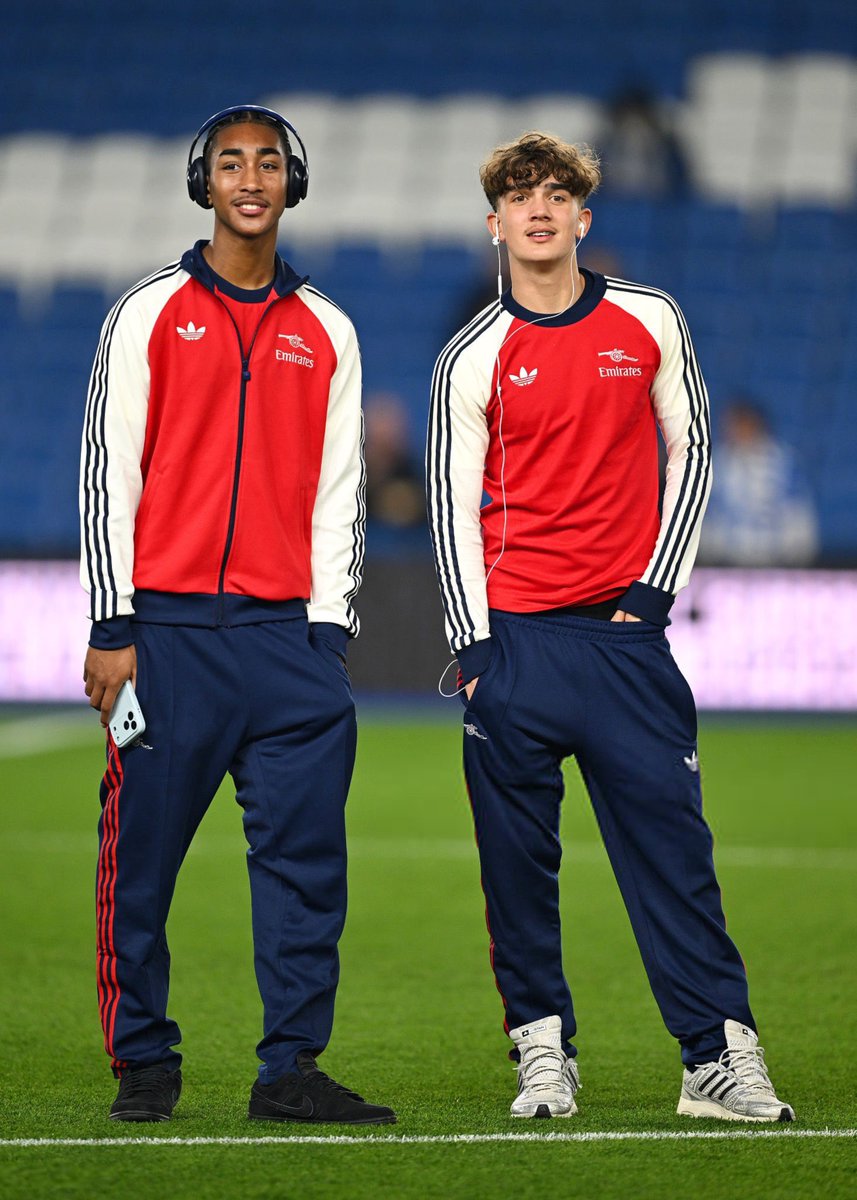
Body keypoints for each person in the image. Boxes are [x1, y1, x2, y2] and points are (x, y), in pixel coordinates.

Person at [426, 131, 793, 1123]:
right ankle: (543, 1057)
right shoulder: (470, 356)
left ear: (582, 218)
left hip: (626, 643)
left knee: (675, 859)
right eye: (518, 195)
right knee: (516, 873)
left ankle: (714, 1059)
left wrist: (652, 595)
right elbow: (448, 502)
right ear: (494, 223)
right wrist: (476, 644)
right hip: (515, 645)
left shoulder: (647, 320)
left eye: (556, 194)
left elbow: (696, 448)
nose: (538, 208)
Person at [80, 105, 394, 1126]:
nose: (249, 177)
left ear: (291, 182)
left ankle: (289, 1070)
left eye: (268, 161)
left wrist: (327, 632)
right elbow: (108, 475)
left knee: (306, 869)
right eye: (230, 162)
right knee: (139, 860)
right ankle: (144, 1059)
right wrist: (112, 625)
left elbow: (340, 495)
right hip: (163, 642)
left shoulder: (328, 330)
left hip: (287, 648)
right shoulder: (148, 312)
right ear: (202, 181)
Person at [699, 397, 818, 566]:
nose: (733, 431)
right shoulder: (717, 462)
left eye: (739, 424)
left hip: (776, 563)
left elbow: (798, 511)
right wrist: (709, 555)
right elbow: (708, 513)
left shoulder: (782, 461)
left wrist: (796, 557)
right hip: (726, 564)